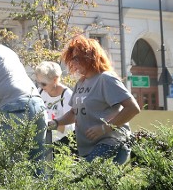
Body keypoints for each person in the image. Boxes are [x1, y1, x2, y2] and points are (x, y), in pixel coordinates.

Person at [48, 35, 141, 164]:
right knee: (49, 156)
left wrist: (105, 128)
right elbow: (74, 113)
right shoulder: (80, 83)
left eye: (76, 58)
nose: (73, 63)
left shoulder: (106, 79)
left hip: (111, 144)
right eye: (72, 59)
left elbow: (133, 108)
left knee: (82, 177)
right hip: (86, 146)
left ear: (90, 56)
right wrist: (55, 123)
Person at [0, 29, 47, 160]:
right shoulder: (6, 50)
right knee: (36, 161)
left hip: (15, 107)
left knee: (11, 165)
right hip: (37, 103)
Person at [35, 60, 74, 144]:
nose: (41, 86)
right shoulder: (40, 92)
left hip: (62, 143)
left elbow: (70, 126)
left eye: (44, 84)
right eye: (39, 83)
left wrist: (51, 124)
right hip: (43, 141)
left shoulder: (67, 95)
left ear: (55, 80)